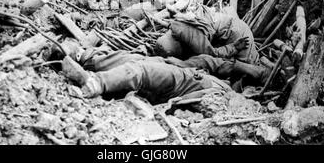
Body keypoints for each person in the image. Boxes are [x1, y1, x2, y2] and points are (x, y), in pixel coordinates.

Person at [63, 45, 270, 104]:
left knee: (142, 71)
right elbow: (209, 61)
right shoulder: (217, 73)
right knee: (132, 59)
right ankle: (83, 57)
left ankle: (94, 83)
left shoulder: (225, 94)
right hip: (178, 70)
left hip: (180, 83)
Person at [154, 5, 259, 64]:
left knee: (243, 68)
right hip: (224, 29)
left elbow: (211, 54)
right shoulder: (175, 27)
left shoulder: (192, 37)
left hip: (236, 33)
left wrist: (233, 47)